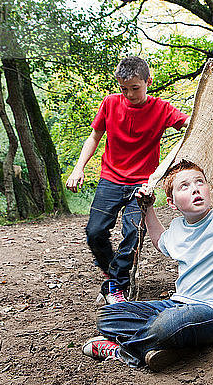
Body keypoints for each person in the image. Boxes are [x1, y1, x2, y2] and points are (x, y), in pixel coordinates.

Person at [81, 159, 213, 371]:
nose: (195, 189)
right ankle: (163, 348)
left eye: (200, 182)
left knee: (169, 323)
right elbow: (160, 242)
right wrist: (148, 208)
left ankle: (123, 353)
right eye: (184, 186)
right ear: (172, 202)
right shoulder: (178, 226)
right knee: (109, 315)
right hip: (178, 304)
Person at [65, 56, 190, 304]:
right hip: (110, 178)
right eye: (124, 89)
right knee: (95, 232)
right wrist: (78, 168)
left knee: (132, 234)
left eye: (135, 88)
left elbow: (190, 124)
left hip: (143, 183)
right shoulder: (110, 104)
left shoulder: (162, 109)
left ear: (148, 82)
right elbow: (94, 137)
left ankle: (115, 286)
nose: (130, 94)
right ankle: (114, 275)